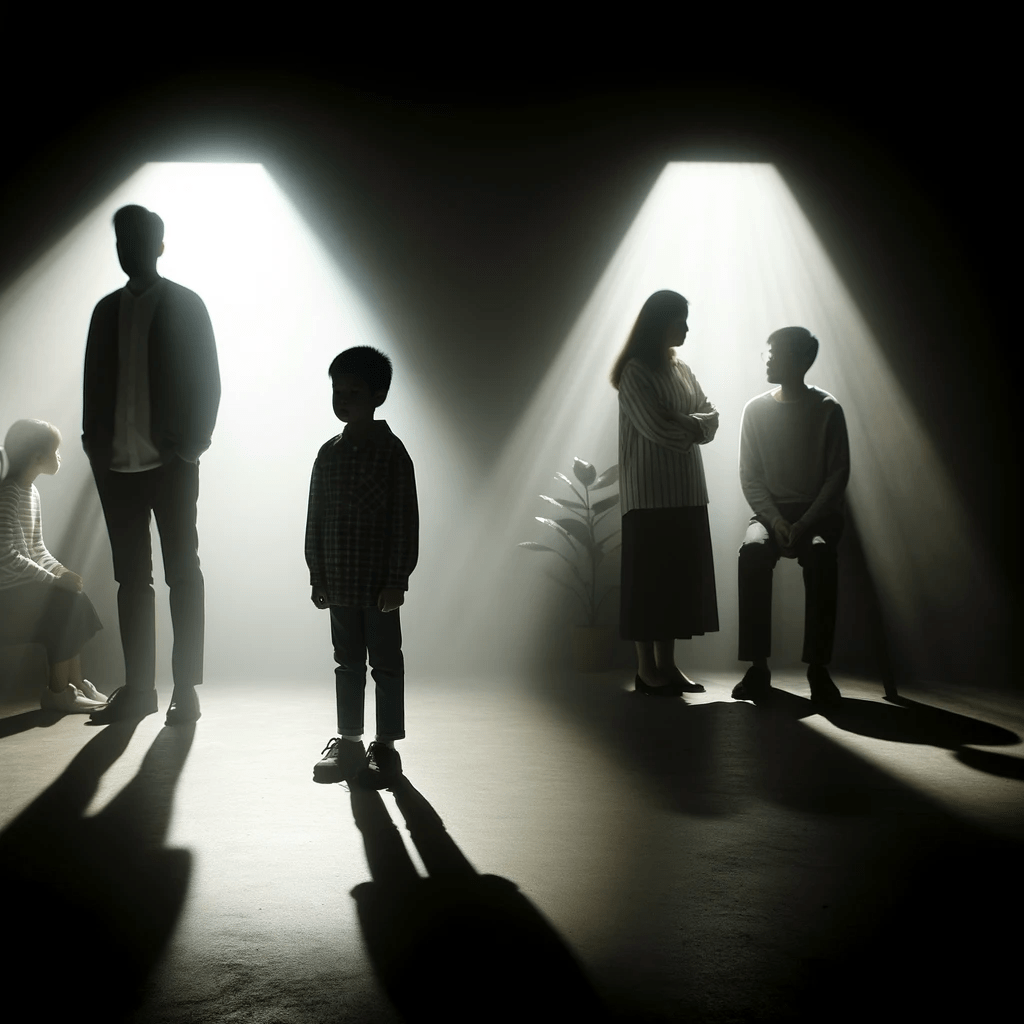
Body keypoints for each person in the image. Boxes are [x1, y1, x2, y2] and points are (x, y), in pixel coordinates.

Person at [82, 205, 220, 725]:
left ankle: (185, 688)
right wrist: (94, 448)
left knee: (182, 573)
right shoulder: (105, 311)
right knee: (131, 581)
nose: (126, 249)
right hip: (116, 468)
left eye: (136, 240)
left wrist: (191, 446)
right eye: (120, 241)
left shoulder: (187, 304)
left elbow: (209, 379)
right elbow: (92, 388)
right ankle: (141, 689)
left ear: (159, 246)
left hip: (171, 465)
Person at [306, 346, 419, 787]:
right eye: (338, 390)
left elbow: (404, 521)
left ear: (379, 395)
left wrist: (397, 580)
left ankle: (386, 749)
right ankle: (349, 741)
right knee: (346, 662)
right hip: (339, 582)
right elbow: (315, 518)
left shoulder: (393, 454)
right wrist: (317, 573)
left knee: (386, 663)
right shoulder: (327, 455)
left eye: (354, 391)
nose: (343, 399)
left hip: (378, 586)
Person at [732, 326, 850, 706]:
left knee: (819, 556)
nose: (766, 358)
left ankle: (818, 669)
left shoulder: (828, 409)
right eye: (766, 351)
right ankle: (758, 667)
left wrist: (804, 522)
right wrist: (776, 519)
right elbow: (749, 477)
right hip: (770, 515)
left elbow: (837, 477)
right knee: (751, 553)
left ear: (800, 360)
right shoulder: (755, 409)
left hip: (817, 517)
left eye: (774, 352)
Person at [610, 290, 720, 696]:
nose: (687, 328)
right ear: (660, 323)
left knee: (674, 582)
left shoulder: (682, 369)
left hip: (688, 492)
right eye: (680, 320)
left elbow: (713, 418)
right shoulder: (635, 372)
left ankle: (668, 666)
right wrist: (692, 425)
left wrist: (683, 419)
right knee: (649, 584)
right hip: (650, 497)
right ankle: (645, 669)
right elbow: (657, 431)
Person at [0, 420, 106, 712]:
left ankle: (76, 683)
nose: (59, 456)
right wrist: (53, 581)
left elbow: (36, 548)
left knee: (72, 596)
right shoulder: (8, 494)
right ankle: (59, 691)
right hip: (7, 595)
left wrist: (62, 573)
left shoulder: (31, 493)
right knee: (63, 602)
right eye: (55, 451)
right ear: (37, 457)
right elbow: (6, 556)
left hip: (23, 587)